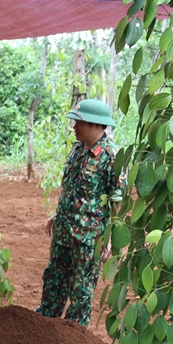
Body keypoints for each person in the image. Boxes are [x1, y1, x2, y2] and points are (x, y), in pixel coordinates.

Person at [35, 99, 122, 327]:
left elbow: (117, 200)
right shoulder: (76, 149)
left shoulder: (111, 157)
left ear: (96, 125)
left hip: (88, 239)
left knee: (81, 292)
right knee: (54, 280)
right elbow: (71, 188)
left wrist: (110, 236)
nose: (74, 126)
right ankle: (44, 329)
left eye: (79, 122)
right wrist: (57, 214)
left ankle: (71, 343)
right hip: (64, 231)